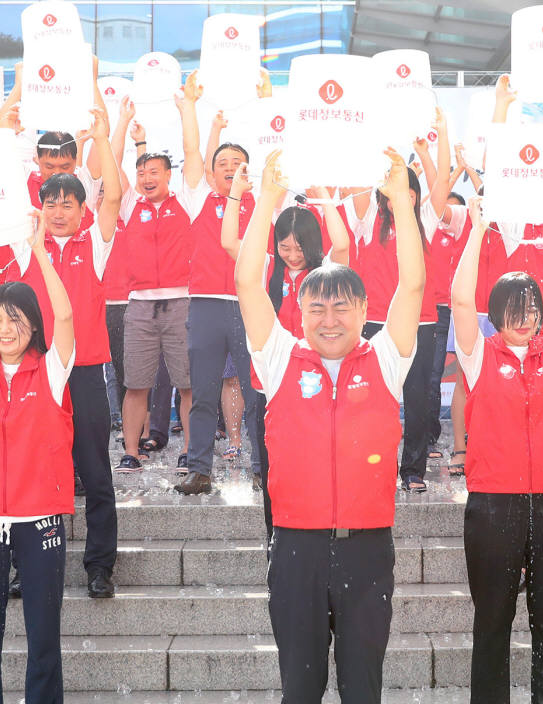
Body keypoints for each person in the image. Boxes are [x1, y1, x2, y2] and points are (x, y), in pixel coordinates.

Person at [235, 148, 424, 703]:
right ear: (300, 309)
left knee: (363, 688)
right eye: (317, 308)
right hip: (296, 547)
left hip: (367, 548)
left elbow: (412, 287)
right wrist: (266, 201)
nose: (330, 319)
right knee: (301, 688)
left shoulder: (387, 360)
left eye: (342, 307)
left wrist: (402, 207)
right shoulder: (279, 359)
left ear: (364, 308)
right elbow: (248, 284)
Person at [452, 196, 543, 704]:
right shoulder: (477, 355)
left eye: (532, 308)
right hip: (495, 504)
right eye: (515, 309)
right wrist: (477, 230)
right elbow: (460, 301)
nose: (526, 317)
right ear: (498, 313)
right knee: (492, 621)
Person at [6, 108, 122, 598]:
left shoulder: (93, 244)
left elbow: (113, 194)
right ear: (40, 206)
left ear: (80, 209)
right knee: (33, 468)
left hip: (86, 370)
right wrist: (0, 134)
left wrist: (103, 139)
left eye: (67, 204)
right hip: (36, 373)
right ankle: (25, 566)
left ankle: (100, 566)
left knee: (94, 468)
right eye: (49, 202)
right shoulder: (24, 246)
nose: (58, 211)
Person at [0, 209, 75, 703]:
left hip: (41, 521)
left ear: (33, 324)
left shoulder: (52, 371)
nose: (4, 329)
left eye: (15, 320)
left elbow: (68, 315)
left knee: (43, 640)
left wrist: (39, 254)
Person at [220, 162, 350, 538]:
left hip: (319, 387)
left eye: (299, 247)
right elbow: (230, 242)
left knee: (319, 465)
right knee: (274, 469)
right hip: (271, 388)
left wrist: (324, 196)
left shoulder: (325, 274)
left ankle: (322, 533)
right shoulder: (265, 270)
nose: (292, 255)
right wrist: (244, 195)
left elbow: (341, 244)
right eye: (284, 246)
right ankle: (275, 540)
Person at [344, 109, 449, 492]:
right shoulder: (368, 214)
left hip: (421, 323)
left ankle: (413, 469)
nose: (401, 194)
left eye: (409, 188)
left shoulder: (426, 220)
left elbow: (439, 183)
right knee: (374, 399)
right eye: (394, 185)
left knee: (418, 400)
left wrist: (428, 147)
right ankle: (375, 463)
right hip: (374, 323)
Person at [114, 72, 205, 473]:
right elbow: (111, 167)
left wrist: (187, 108)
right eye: (142, 172)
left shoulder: (186, 198)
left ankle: (190, 452)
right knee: (136, 384)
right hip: (139, 308)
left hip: (182, 303)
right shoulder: (131, 203)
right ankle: (131, 452)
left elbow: (192, 148)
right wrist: (120, 125)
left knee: (187, 384)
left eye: (155, 172)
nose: (147, 178)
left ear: (170, 175)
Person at [174, 111, 262, 494]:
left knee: (257, 391)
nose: (229, 169)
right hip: (206, 306)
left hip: (250, 306)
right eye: (221, 164)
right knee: (204, 391)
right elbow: (192, 151)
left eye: (236, 164)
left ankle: (264, 466)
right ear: (211, 175)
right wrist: (193, 111)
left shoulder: (263, 204)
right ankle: (199, 470)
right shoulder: (199, 200)